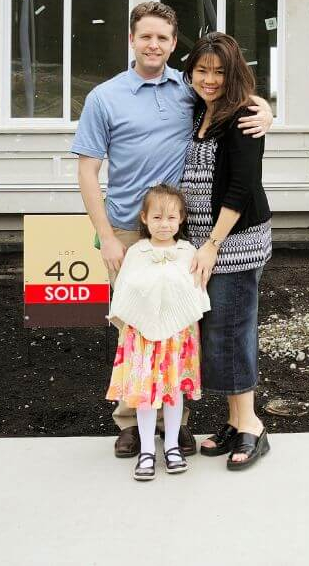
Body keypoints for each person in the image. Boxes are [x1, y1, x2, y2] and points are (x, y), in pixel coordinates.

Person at [72, 1, 272, 458]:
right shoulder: (105, 97)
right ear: (131, 39)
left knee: (184, 323)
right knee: (134, 329)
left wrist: (266, 111)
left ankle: (177, 419)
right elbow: (87, 172)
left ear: (172, 43)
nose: (154, 44)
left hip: (184, 233)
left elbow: (232, 95)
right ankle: (131, 422)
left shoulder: (185, 90)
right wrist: (104, 236)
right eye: (146, 36)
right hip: (126, 229)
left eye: (163, 37)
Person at [181, 32, 272, 471]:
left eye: (219, 71)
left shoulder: (244, 115)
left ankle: (251, 425)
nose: (210, 79)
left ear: (233, 72)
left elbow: (241, 187)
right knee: (215, 332)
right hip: (202, 243)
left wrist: (213, 245)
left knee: (231, 330)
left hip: (233, 243)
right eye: (202, 70)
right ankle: (236, 420)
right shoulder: (201, 110)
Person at [106, 184, 210, 481]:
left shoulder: (187, 251)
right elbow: (126, 290)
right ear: (144, 218)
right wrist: (135, 321)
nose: (164, 225)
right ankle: (148, 449)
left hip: (177, 339)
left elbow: (194, 292)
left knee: (173, 392)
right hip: (143, 339)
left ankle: (173, 446)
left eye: (171, 218)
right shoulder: (137, 252)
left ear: (181, 219)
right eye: (157, 218)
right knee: (145, 394)